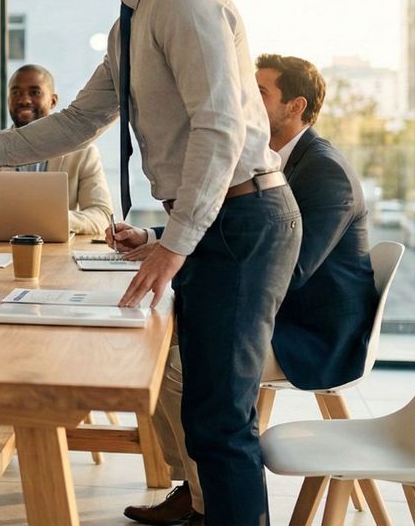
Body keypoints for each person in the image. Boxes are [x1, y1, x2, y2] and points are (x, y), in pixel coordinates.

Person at [0, 0, 300, 526]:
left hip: (244, 218)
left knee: (220, 420)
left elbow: (219, 128)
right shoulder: (131, 23)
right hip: (221, 218)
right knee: (208, 415)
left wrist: (175, 243)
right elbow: (74, 122)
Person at [120, 53, 377, 526]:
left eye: (260, 93)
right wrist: (157, 239)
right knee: (150, 353)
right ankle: (195, 487)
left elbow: (287, 270)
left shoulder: (325, 171)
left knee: (177, 365)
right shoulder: (259, 163)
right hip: (269, 312)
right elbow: (224, 229)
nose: (245, 102)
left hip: (310, 334)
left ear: (294, 106)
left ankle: (206, 501)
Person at [0, 63, 112, 234]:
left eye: (34, 92)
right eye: (16, 93)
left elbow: (102, 216)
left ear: (53, 101)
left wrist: (53, 219)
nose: (24, 100)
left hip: (55, 254)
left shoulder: (83, 153)